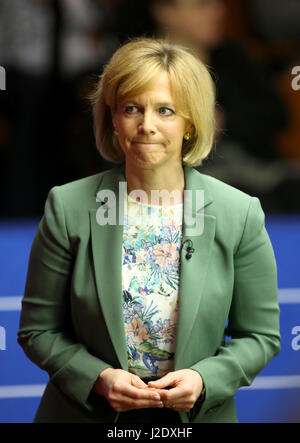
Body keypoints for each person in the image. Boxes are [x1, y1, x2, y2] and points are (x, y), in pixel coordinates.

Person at [17, 37, 281, 423]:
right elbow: (38, 331)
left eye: (165, 110)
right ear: (113, 119)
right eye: (131, 108)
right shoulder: (68, 206)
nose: (146, 126)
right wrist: (98, 378)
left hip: (194, 418)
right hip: (88, 413)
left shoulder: (238, 213)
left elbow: (261, 336)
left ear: (191, 123)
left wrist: (203, 378)